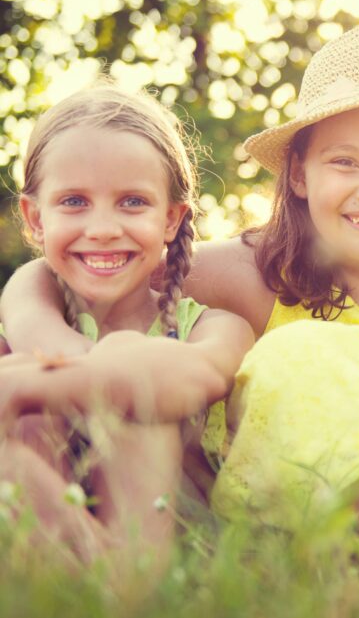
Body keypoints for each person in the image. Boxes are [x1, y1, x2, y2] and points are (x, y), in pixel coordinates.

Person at [0, 26, 359, 538]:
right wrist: (31, 311)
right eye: (345, 162)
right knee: (303, 361)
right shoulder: (247, 270)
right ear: (299, 173)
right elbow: (101, 260)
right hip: (356, 496)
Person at [0, 82, 254, 565]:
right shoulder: (31, 299)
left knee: (142, 381)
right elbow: (39, 337)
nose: (102, 229)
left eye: (132, 202)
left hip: (166, 549)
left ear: (171, 219)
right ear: (35, 218)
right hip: (39, 525)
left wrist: (26, 386)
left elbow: (194, 376)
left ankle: (122, 589)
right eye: (74, 201)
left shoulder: (213, 327)